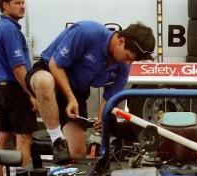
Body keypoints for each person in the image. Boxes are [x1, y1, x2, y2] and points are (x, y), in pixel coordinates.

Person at [25, 21, 155, 164]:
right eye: (128, 57)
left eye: (133, 61)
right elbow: (55, 65)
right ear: (120, 41)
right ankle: (56, 141)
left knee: (78, 152)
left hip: (78, 89)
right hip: (51, 72)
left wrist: (102, 119)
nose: (128, 63)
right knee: (44, 81)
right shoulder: (86, 32)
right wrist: (70, 98)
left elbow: (109, 99)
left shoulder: (123, 67)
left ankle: (38, 147)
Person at [0, 0, 36, 176]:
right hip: (16, 90)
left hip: (2, 88)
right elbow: (18, 67)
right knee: (24, 137)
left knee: (3, 134)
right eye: (17, 2)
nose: (22, 6)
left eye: (23, 2)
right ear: (5, 5)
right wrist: (31, 94)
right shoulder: (9, 30)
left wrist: (2, 87)